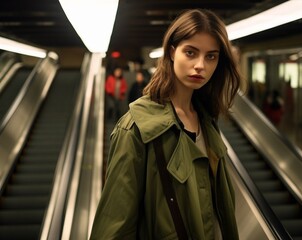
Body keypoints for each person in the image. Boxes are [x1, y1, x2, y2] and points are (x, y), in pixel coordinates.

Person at [90, 8, 243, 239]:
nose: (200, 65)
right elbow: (114, 226)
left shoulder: (206, 119)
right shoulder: (136, 128)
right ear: (172, 52)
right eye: (191, 52)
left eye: (211, 56)